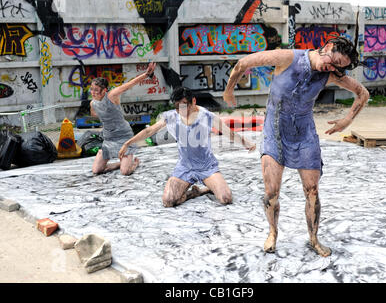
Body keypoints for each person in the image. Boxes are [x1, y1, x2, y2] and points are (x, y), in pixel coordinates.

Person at [223, 36, 369, 257]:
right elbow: (243, 63)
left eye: (339, 67)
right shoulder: (287, 57)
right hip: (275, 130)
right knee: (272, 191)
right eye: (334, 61)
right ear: (327, 47)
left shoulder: (329, 73)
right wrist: (229, 90)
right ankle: (272, 232)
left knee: (312, 191)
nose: (333, 68)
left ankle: (314, 239)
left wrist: (347, 120)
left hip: (304, 134)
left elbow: (362, 93)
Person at [118, 86, 256, 207]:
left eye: (184, 106)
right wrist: (127, 143)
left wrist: (246, 143)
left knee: (226, 198)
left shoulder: (207, 116)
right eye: (177, 107)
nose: (180, 110)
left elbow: (229, 133)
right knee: (168, 201)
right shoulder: (172, 116)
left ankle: (206, 187)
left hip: (206, 166)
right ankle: (194, 193)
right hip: (185, 166)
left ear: (193, 101)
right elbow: (149, 131)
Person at [90, 62, 156, 175]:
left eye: (96, 90)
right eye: (92, 89)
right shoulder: (93, 103)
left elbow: (129, 85)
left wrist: (146, 74)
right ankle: (120, 163)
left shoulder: (112, 96)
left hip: (123, 137)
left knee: (125, 172)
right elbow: (95, 115)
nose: (93, 92)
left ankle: (134, 163)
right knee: (96, 170)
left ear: (104, 90)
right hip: (109, 138)